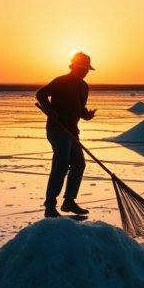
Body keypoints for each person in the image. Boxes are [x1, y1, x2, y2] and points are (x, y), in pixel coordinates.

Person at [36, 52, 97, 218]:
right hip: (57, 130)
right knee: (61, 165)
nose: (85, 72)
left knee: (79, 164)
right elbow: (41, 94)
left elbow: (79, 107)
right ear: (74, 67)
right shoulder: (61, 81)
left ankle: (69, 201)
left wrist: (86, 115)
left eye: (87, 70)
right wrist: (50, 110)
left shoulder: (84, 86)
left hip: (72, 131)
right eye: (83, 69)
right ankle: (50, 206)